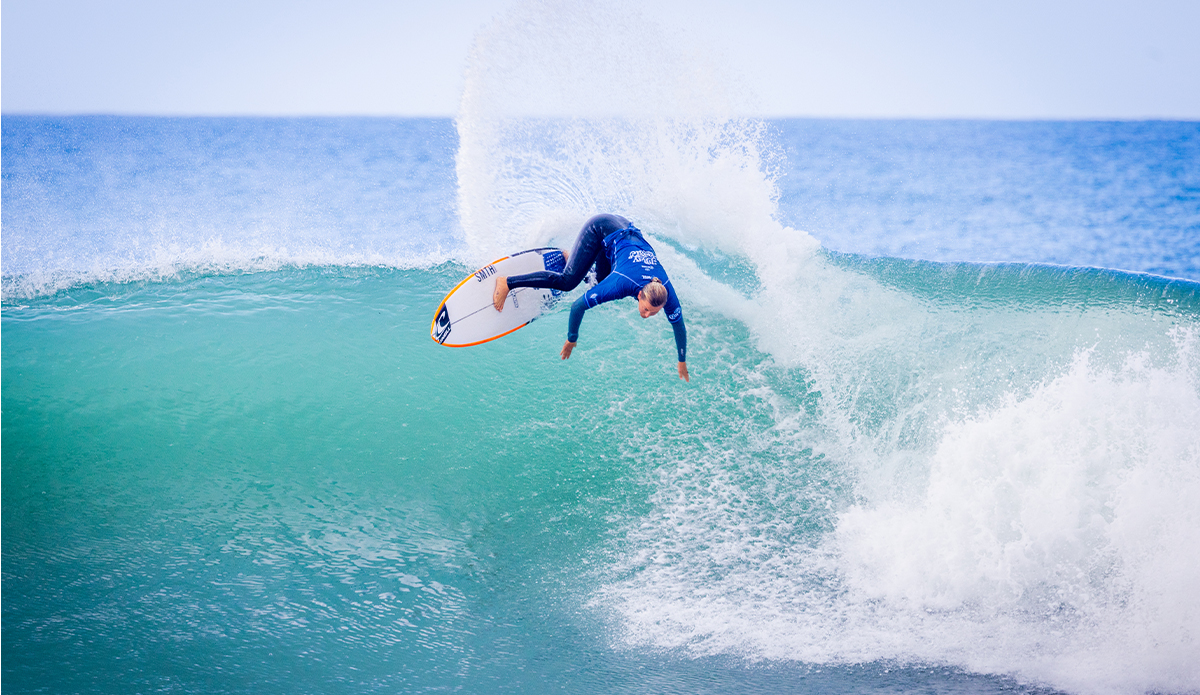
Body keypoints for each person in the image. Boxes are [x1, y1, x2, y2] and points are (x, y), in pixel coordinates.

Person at [493, 213, 689, 381]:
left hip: (621, 235)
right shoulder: (621, 283)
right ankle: (508, 282)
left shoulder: (665, 292)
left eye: (653, 313)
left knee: (597, 282)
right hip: (600, 228)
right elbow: (578, 306)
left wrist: (682, 361)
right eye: (646, 309)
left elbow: (679, 325)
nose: (647, 315)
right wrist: (572, 339)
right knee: (567, 282)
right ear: (639, 294)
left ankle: (574, 259)